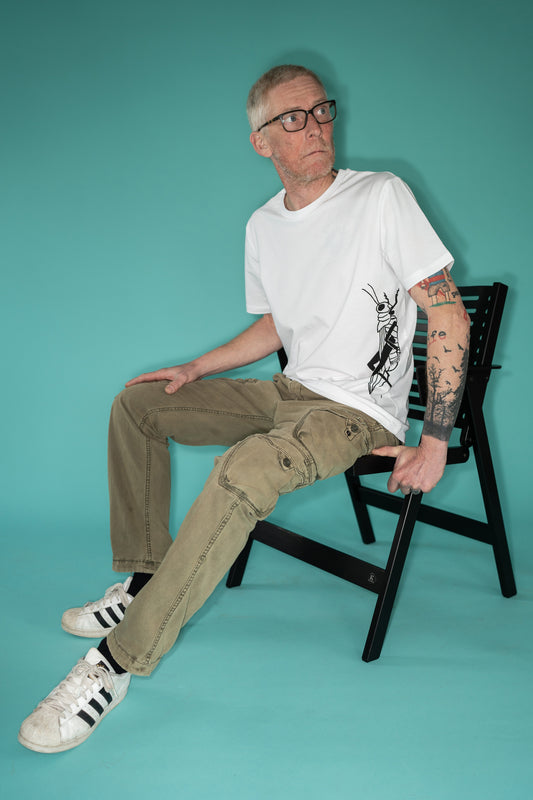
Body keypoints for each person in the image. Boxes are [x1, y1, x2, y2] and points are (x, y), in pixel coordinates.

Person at [18, 64, 470, 753]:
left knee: (244, 468)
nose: (314, 128)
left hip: (354, 414)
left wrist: (434, 439)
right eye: (292, 119)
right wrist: (197, 367)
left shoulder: (380, 195)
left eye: (321, 111)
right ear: (262, 141)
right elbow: (276, 327)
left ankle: (116, 662)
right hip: (288, 394)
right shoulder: (264, 225)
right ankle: (145, 579)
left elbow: (448, 312)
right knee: (138, 404)